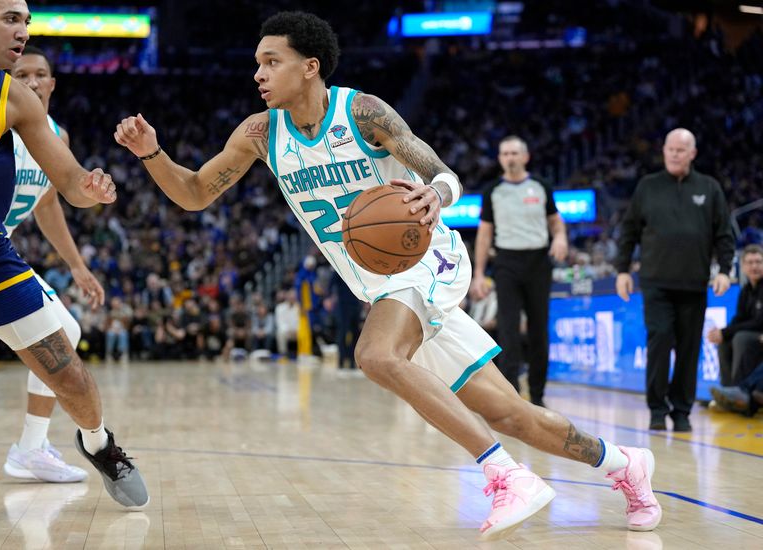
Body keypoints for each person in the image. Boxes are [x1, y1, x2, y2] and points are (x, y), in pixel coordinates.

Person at [115, 11, 661, 538]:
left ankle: (505, 476)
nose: (258, 73)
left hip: (426, 259)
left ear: (310, 66)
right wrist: (151, 152)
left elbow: (441, 172)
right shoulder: (260, 134)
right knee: (512, 413)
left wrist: (435, 194)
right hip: (379, 284)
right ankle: (623, 463)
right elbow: (192, 193)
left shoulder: (363, 113)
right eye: (257, 63)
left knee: (375, 355)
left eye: (271, 61)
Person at [0, 0, 146, 506]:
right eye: (10, 19)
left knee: (68, 368)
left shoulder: (16, 101)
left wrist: (93, 189)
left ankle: (98, 443)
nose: (22, 31)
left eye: (26, 22)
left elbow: (65, 183)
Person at [0, 45, 97, 487]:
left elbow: (47, 205)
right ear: (7, 78)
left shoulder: (53, 134)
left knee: (68, 332)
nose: (34, 82)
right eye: (23, 74)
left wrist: (76, 265)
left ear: (53, 83)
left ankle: (31, 449)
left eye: (41, 74)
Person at [615, 128, 734, 432]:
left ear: (692, 153)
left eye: (681, 150)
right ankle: (657, 408)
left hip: (693, 284)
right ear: (664, 150)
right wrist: (623, 270)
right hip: (656, 282)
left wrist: (724, 270)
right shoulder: (648, 186)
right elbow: (629, 231)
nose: (674, 154)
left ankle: (681, 411)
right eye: (670, 149)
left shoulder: (709, 188)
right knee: (660, 340)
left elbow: (724, 234)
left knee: (689, 348)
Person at [471, 136, 568, 406]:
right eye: (504, 153)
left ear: (525, 157)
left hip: (538, 261)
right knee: (508, 330)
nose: (510, 158)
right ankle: (512, 396)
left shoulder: (540, 187)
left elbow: (556, 223)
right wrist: (479, 274)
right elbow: (484, 235)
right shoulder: (493, 191)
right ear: (500, 158)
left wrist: (560, 238)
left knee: (538, 330)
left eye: (514, 153)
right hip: (506, 262)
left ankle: (537, 396)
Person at [707, 244, 763, 385]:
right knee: (725, 342)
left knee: (740, 338)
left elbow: (758, 322)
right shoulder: (746, 290)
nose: (754, 266)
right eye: (750, 262)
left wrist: (726, 332)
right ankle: (727, 391)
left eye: (758, 262)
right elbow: (739, 318)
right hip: (753, 333)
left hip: (759, 333)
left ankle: (740, 392)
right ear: (743, 267)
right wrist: (722, 333)